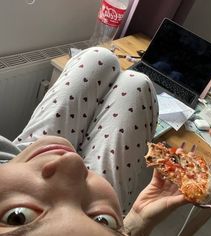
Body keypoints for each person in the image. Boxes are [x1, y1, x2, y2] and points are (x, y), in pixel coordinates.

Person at [0, 47, 188, 235]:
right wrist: (134, 224)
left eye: (18, 216)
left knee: (100, 58)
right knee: (138, 84)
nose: (74, 161)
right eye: (103, 221)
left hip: (13, 158)